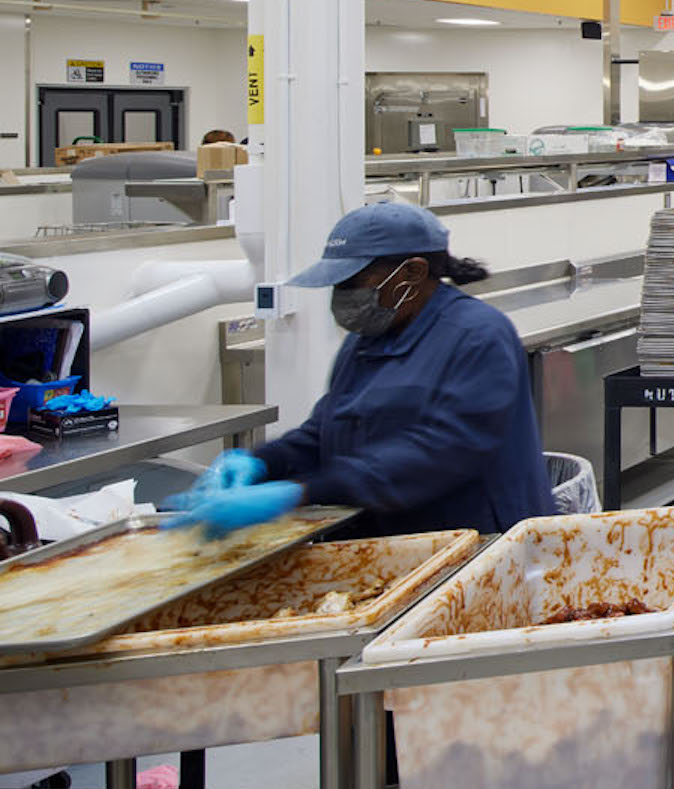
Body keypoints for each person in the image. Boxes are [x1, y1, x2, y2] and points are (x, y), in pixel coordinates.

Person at [168, 201, 552, 539]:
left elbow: (440, 453)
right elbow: (327, 431)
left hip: (479, 546)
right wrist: (264, 462)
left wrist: (300, 493)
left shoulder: (478, 336)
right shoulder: (369, 336)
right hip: (393, 540)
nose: (341, 297)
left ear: (413, 273)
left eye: (352, 282)